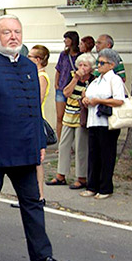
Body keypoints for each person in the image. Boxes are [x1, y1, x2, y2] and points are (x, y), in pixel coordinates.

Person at [0, 14, 73, 261]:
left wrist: (39, 142)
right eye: (7, 32)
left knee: (33, 202)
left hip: (26, 148)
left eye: (17, 31)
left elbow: (33, 111)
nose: (13, 36)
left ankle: (42, 258)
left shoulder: (28, 67)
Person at [80, 49, 125, 200]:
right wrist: (86, 100)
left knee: (106, 155)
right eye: (98, 62)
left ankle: (105, 187)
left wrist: (99, 101)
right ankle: (92, 186)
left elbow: (119, 100)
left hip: (107, 122)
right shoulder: (97, 80)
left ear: (111, 65)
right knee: (94, 155)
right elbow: (87, 94)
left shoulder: (114, 80)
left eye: (102, 63)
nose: (99, 65)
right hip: (93, 121)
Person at [47, 53, 95, 190]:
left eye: (85, 65)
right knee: (63, 146)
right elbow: (66, 93)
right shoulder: (73, 75)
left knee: (81, 147)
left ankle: (81, 177)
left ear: (91, 68)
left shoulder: (93, 80)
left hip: (81, 118)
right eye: (80, 64)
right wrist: (75, 79)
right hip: (69, 115)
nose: (82, 67)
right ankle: (60, 175)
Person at [26, 45, 51, 206]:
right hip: (30, 120)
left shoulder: (41, 77)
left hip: (35, 120)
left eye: (30, 56)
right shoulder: (33, 74)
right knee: (30, 160)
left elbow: (38, 99)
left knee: (37, 160)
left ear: (38, 60)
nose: (27, 59)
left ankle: (39, 195)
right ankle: (32, 195)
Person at [54, 31, 80, 142]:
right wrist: (56, 83)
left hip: (74, 90)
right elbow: (58, 70)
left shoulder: (80, 55)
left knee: (73, 117)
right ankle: (61, 142)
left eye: (67, 38)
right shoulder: (63, 55)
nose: (65, 41)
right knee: (60, 116)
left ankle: (73, 142)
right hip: (61, 88)